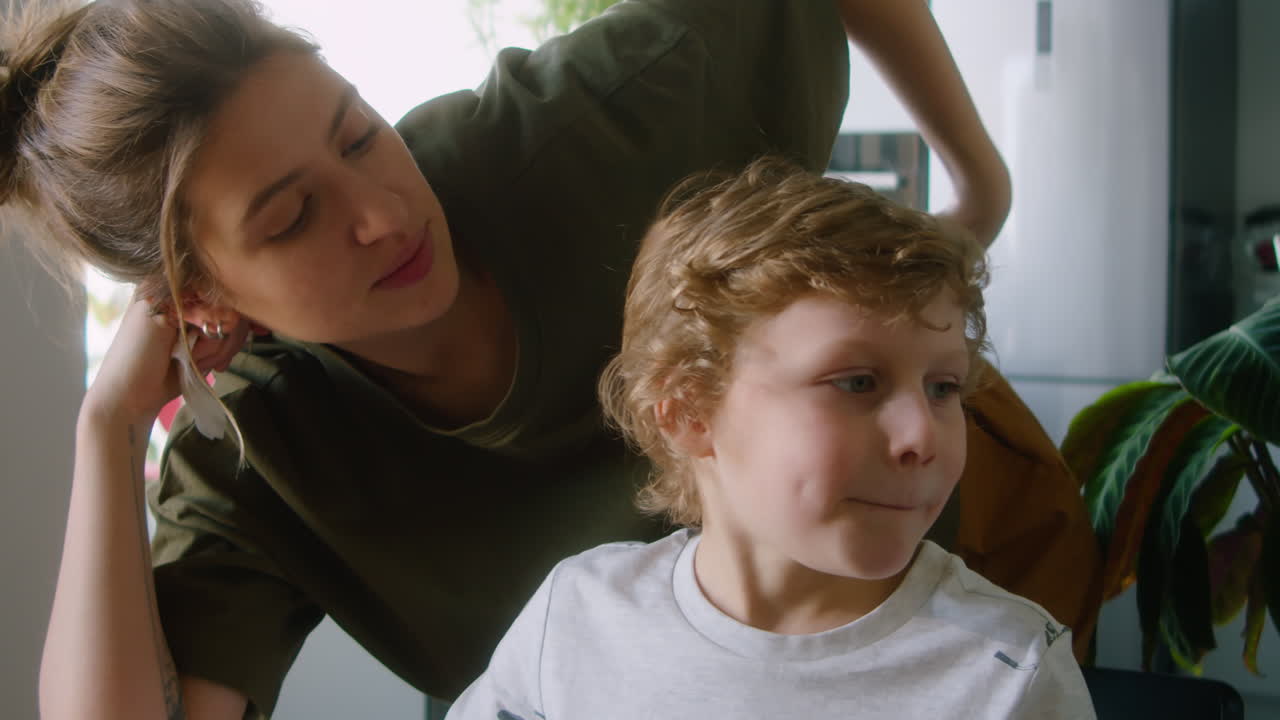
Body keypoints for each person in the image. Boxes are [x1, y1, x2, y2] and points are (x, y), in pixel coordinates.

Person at [0, 1, 1097, 718]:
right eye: (292, 220)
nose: (382, 214)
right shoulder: (255, 453)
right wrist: (105, 434)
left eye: (356, 133)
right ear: (202, 298)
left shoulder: (597, 126)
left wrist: (976, 194)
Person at [444, 157, 1097, 720]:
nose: (921, 434)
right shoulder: (579, 616)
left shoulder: (1009, 674)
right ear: (691, 414)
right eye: (858, 382)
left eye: (944, 388)